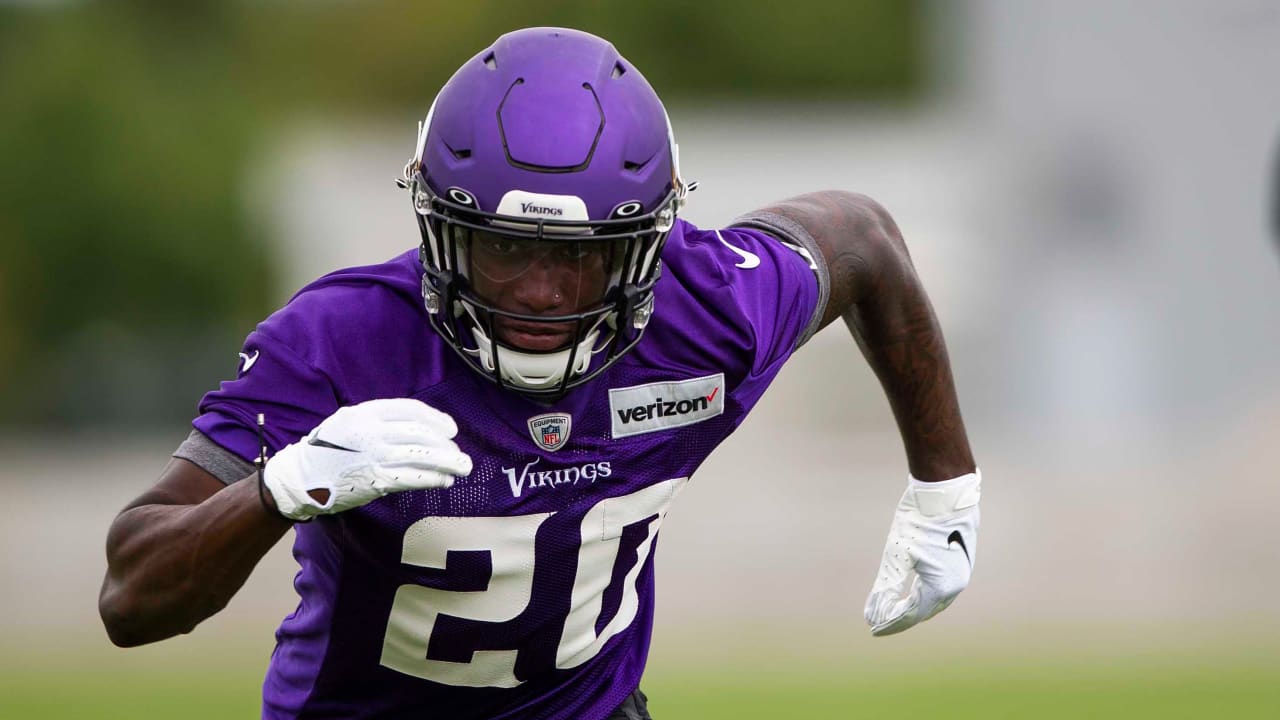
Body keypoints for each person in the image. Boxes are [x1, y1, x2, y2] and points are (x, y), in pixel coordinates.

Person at [98, 27, 980, 720]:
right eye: (505, 248)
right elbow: (130, 598)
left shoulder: (706, 307)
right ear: (442, 229)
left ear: (648, 246)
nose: (543, 294)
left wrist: (947, 490)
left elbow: (863, 241)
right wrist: (279, 490)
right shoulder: (341, 342)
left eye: (584, 260)